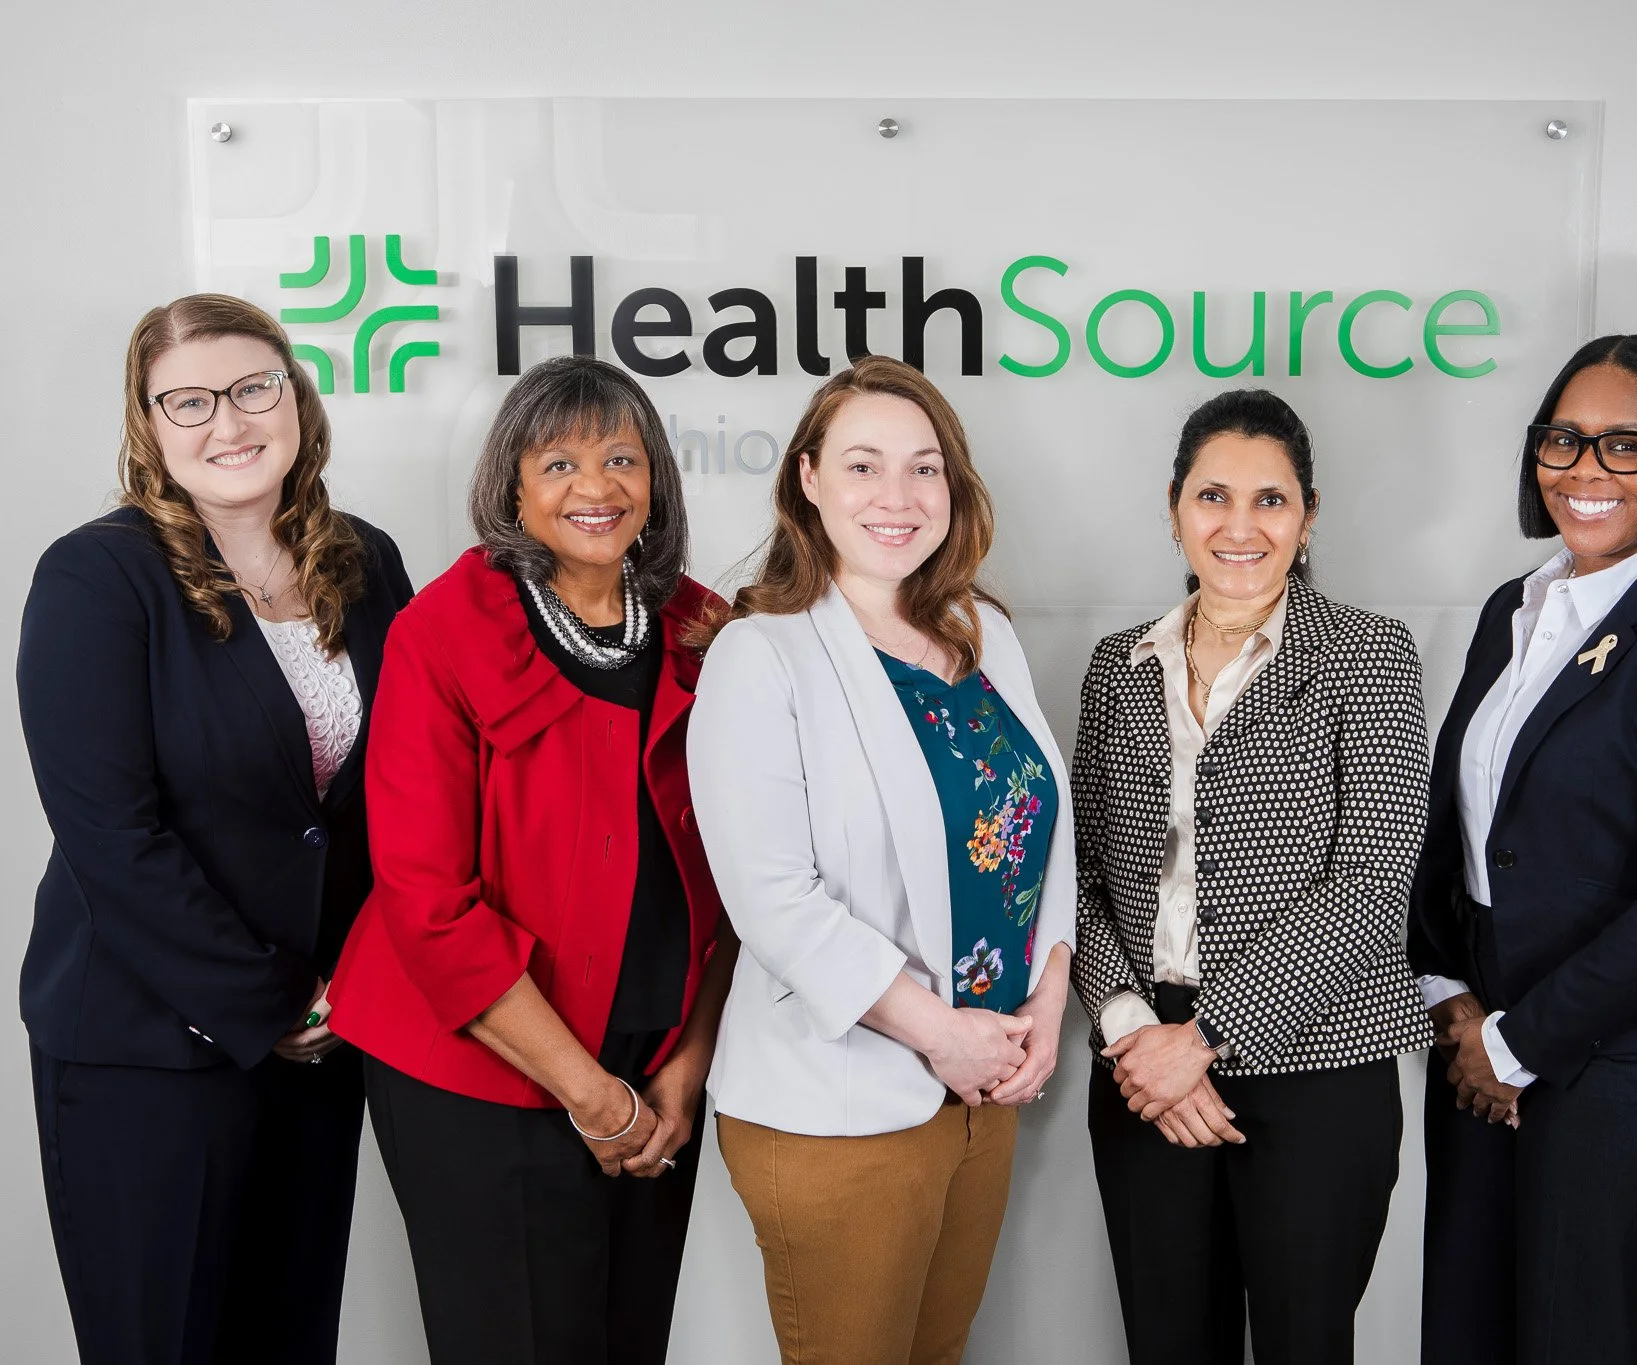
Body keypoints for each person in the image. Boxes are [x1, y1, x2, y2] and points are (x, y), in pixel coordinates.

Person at [18, 293, 413, 1364]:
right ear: (148, 425)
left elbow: (402, 795)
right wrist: (270, 999)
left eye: (251, 389)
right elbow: (111, 834)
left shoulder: (365, 563)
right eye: (187, 402)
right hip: (148, 1048)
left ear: (294, 397)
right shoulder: (98, 577)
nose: (227, 424)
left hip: (322, 1040)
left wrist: (348, 989)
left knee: (289, 1342)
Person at [327, 355, 736, 1365]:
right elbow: (426, 900)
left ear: (656, 481)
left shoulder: (702, 628)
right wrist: (590, 1097)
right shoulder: (442, 633)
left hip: (655, 1066)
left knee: (627, 1341)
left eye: (620, 460)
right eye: (557, 463)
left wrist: (684, 1068)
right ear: (511, 484)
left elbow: (736, 880)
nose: (593, 489)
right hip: (483, 1073)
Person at [688, 354, 1075, 1365]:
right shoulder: (759, 655)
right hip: (838, 1107)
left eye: (924, 468)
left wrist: (1046, 998)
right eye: (862, 466)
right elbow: (772, 902)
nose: (896, 498)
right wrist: (937, 1033)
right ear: (807, 480)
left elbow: (1041, 826)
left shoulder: (979, 630)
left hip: (984, 1091)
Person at [1408, 335, 1637, 1364]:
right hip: (1476, 1047)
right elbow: (1454, 829)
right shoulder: (1512, 609)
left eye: (1624, 446)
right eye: (1563, 440)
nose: (1584, 470)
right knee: (1466, 1337)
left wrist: (1516, 1044)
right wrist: (1453, 1002)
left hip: (1628, 1070)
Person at [1070, 389, 1433, 1364]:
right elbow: (1084, 874)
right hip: (1141, 1067)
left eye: (1269, 500)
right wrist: (1131, 1031)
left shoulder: (1367, 654)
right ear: (1174, 505)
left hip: (1317, 1072)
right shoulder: (1116, 666)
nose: (1238, 526)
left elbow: (1369, 879)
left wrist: (1208, 1038)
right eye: (1212, 496)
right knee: (1167, 1344)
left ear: (1307, 514)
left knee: (1301, 1345)